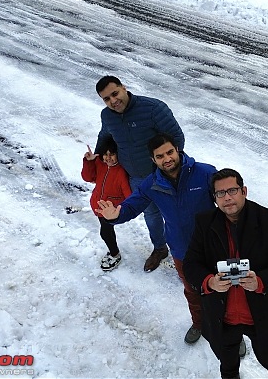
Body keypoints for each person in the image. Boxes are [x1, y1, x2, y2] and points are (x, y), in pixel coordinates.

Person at [97, 133, 216, 345]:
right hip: (182, 251)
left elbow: (229, 202)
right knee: (192, 291)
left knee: (224, 290)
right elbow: (132, 205)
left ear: (177, 150)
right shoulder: (151, 184)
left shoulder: (205, 173)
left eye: (170, 152)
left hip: (214, 248)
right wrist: (117, 215)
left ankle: (229, 330)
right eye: (160, 156)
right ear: (153, 160)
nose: (167, 158)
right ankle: (199, 323)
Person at [183, 168, 268, 379]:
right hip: (223, 317)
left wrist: (261, 282)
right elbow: (191, 264)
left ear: (244, 191)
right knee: (227, 367)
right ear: (215, 198)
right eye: (220, 193)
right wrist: (209, 282)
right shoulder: (204, 222)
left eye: (232, 190)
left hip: (264, 316)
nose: (227, 197)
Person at [95, 74, 185, 272]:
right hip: (136, 177)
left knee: (176, 216)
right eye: (106, 99)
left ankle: (187, 256)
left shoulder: (153, 108)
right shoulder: (107, 115)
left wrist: (169, 170)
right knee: (151, 215)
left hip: (165, 176)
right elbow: (105, 135)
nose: (113, 101)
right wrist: (97, 155)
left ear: (124, 87)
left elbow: (176, 139)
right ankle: (160, 249)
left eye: (115, 94)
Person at [81, 138, 131, 271]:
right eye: (105, 154)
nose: (108, 158)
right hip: (98, 206)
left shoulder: (121, 172)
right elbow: (87, 177)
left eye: (112, 154)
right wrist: (90, 162)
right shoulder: (100, 164)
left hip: (110, 211)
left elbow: (129, 196)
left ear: (118, 154)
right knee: (107, 231)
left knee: (105, 232)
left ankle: (115, 254)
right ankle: (114, 252)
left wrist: (121, 210)